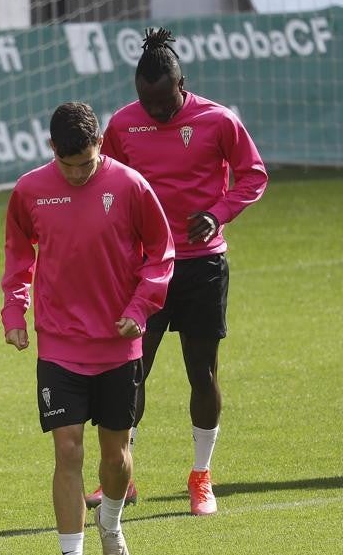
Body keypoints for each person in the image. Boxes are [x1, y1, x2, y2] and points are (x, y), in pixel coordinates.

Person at [2, 101, 173, 555]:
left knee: (116, 457)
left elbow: (161, 255)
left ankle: (111, 523)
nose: (79, 174)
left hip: (119, 346)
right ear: (52, 150)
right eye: (69, 165)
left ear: (100, 145)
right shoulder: (30, 191)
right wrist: (15, 312)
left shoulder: (130, 186)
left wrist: (141, 308)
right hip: (59, 345)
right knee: (67, 449)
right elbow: (17, 256)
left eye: (88, 163)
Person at [97, 28, 268, 515]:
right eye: (145, 102)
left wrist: (219, 211)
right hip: (147, 269)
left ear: (182, 84)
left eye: (163, 101)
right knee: (132, 372)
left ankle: (200, 476)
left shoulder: (218, 120)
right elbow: (108, 180)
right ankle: (121, 475)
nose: (154, 111)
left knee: (202, 371)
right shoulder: (124, 124)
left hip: (203, 266)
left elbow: (253, 175)